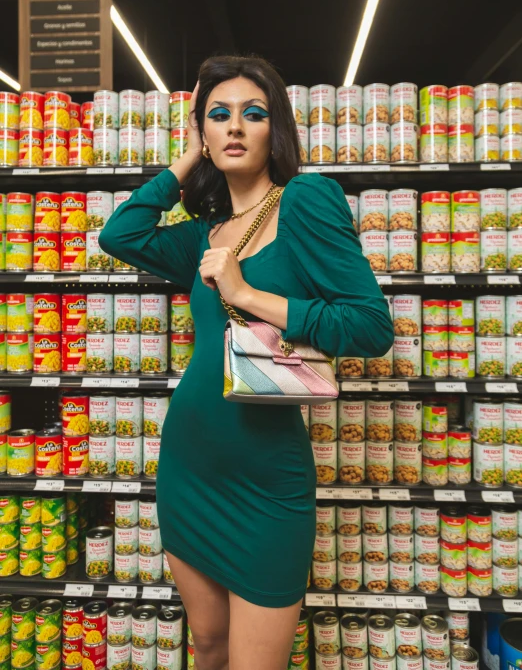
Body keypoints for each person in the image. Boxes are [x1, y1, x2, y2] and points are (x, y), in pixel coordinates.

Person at [100, 55, 394, 670]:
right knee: (205, 645)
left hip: (267, 479)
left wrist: (247, 294)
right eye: (219, 115)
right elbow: (119, 234)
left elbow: (370, 327)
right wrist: (185, 157)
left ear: (274, 130)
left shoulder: (305, 201)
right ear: (203, 132)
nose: (235, 127)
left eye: (253, 114)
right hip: (188, 466)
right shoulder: (204, 233)